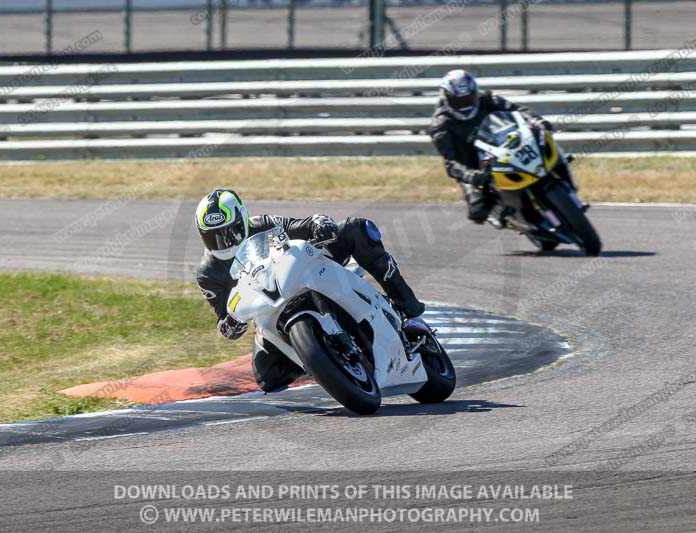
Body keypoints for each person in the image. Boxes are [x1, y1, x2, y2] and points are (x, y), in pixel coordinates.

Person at [195, 189, 425, 392]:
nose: (222, 242)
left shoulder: (262, 224)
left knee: (356, 228)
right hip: (270, 309)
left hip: (301, 273)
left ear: (242, 220)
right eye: (212, 236)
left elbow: (301, 226)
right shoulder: (208, 274)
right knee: (267, 377)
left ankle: (405, 306)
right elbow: (224, 317)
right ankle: (325, 361)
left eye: (228, 232)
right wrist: (230, 325)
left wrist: (319, 224)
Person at [428, 68, 553, 225]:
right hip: (473, 165)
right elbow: (450, 163)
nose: (465, 104)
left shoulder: (487, 99)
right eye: (459, 101)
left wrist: (536, 120)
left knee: (542, 140)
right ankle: (508, 215)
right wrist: (470, 175)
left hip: (505, 146)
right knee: (478, 211)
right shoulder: (440, 126)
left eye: (469, 98)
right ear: (446, 99)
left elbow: (516, 110)